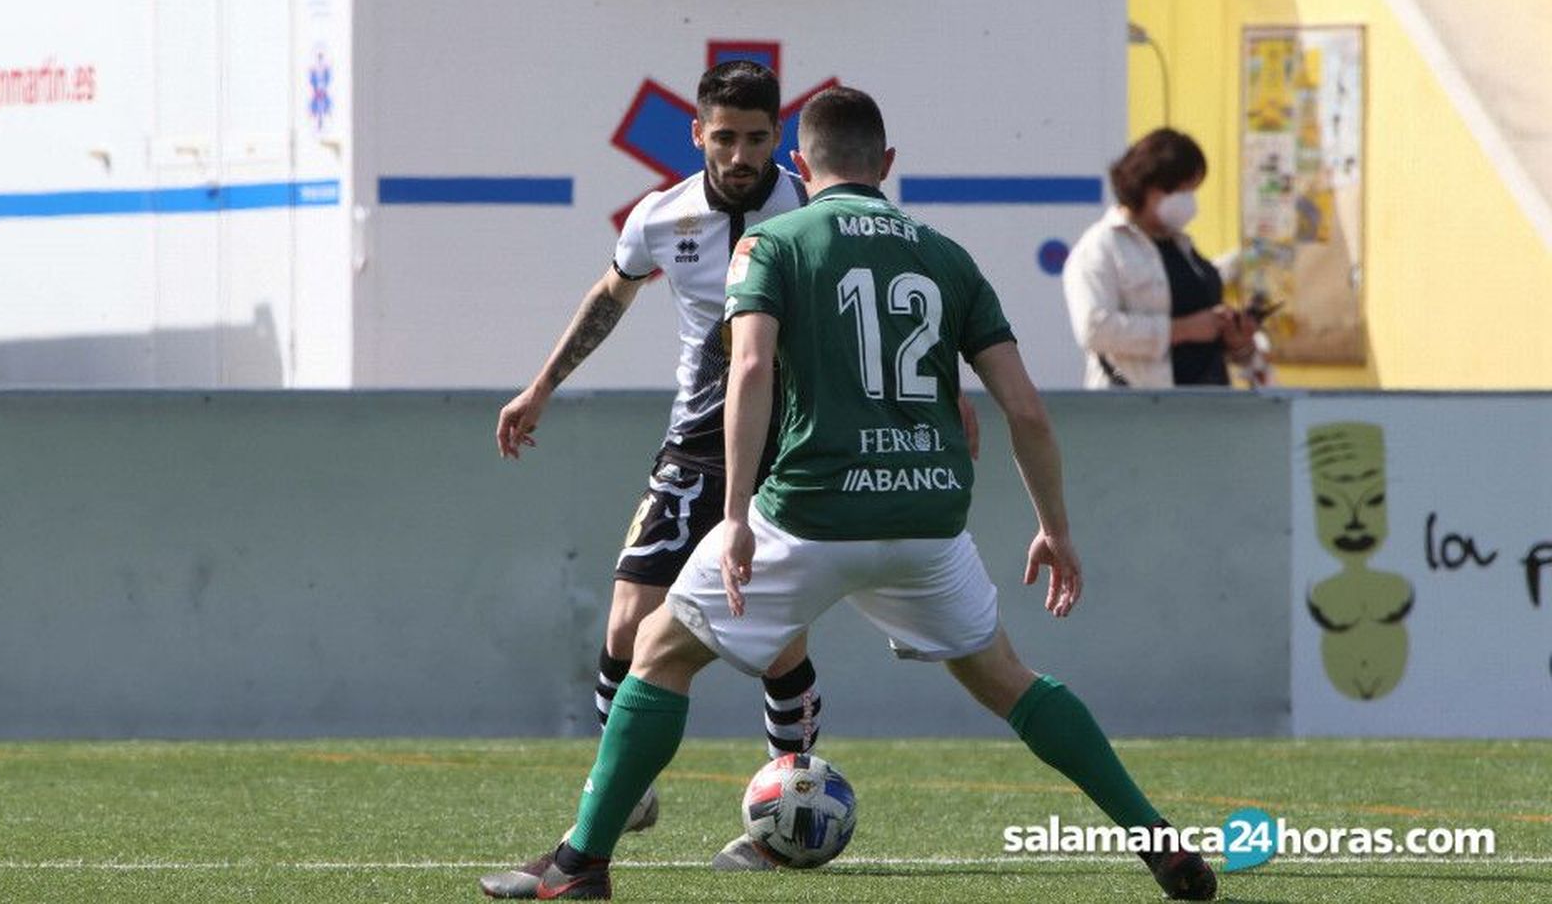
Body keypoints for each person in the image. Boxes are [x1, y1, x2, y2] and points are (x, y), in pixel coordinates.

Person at [483, 87, 1217, 901]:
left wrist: (736, 515)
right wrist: (1055, 527)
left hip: (814, 509)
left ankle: (582, 862)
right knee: (1010, 678)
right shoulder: (946, 255)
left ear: (799, 160)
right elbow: (1027, 409)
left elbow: (750, 369)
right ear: (887, 163)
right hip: (929, 518)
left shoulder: (771, 242)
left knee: (658, 650)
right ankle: (1158, 838)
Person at [488, 61, 823, 878]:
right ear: (697, 132)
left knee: (777, 637)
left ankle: (792, 811)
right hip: (697, 443)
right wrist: (541, 386)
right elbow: (611, 294)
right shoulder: (661, 215)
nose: (739, 154)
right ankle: (626, 789)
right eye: (724, 136)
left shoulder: (812, 211)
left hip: (793, 442)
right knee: (627, 622)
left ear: (778, 135)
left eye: (756, 138)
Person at [1061, 127, 1260, 388]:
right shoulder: (1101, 247)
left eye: (1193, 190)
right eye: (1181, 190)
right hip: (1139, 403)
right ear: (1147, 185)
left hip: (1207, 402)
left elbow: (1207, 333)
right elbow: (1094, 329)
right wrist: (1183, 329)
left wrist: (1235, 338)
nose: (1189, 201)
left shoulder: (1183, 247)